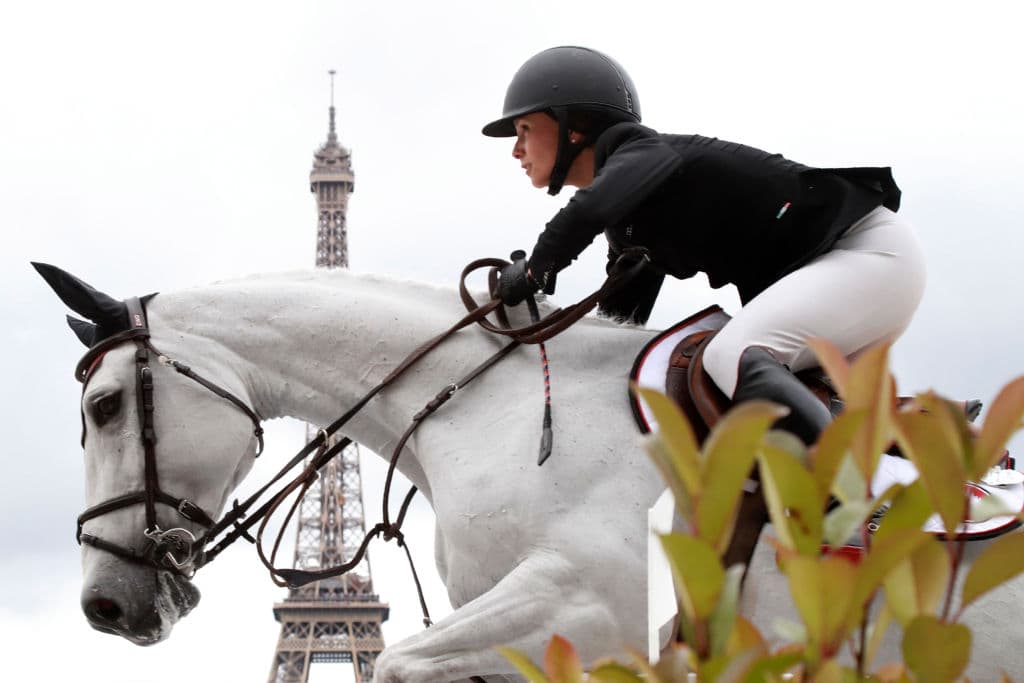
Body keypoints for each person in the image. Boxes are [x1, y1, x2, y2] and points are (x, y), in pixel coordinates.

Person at [484, 46, 926, 445]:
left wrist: (534, 270)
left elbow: (587, 211)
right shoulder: (631, 222)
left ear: (574, 128)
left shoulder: (639, 151)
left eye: (524, 129)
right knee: (742, 389)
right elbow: (620, 324)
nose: (516, 150)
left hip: (866, 254)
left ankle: (842, 490)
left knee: (730, 355)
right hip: (859, 275)